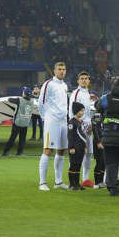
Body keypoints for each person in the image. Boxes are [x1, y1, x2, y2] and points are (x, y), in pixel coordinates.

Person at [37, 62, 70, 191]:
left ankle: (58, 181)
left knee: (61, 150)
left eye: (64, 69)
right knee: (48, 150)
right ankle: (42, 183)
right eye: (59, 69)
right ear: (54, 71)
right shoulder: (48, 84)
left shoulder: (65, 86)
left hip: (63, 122)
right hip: (52, 122)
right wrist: (46, 118)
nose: (62, 71)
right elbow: (41, 103)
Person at [2, 87, 35, 156]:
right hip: (26, 123)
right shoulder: (32, 101)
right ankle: (20, 152)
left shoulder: (19, 100)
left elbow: (9, 99)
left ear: (24, 93)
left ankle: (6, 151)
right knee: (22, 139)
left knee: (12, 138)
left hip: (18, 122)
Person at [67, 102, 88, 191]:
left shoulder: (81, 122)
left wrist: (85, 146)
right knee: (73, 165)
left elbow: (83, 134)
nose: (83, 112)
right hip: (75, 147)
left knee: (79, 165)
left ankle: (77, 183)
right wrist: (71, 147)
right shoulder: (72, 122)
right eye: (81, 111)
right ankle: (72, 184)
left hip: (81, 147)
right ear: (76, 111)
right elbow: (70, 135)